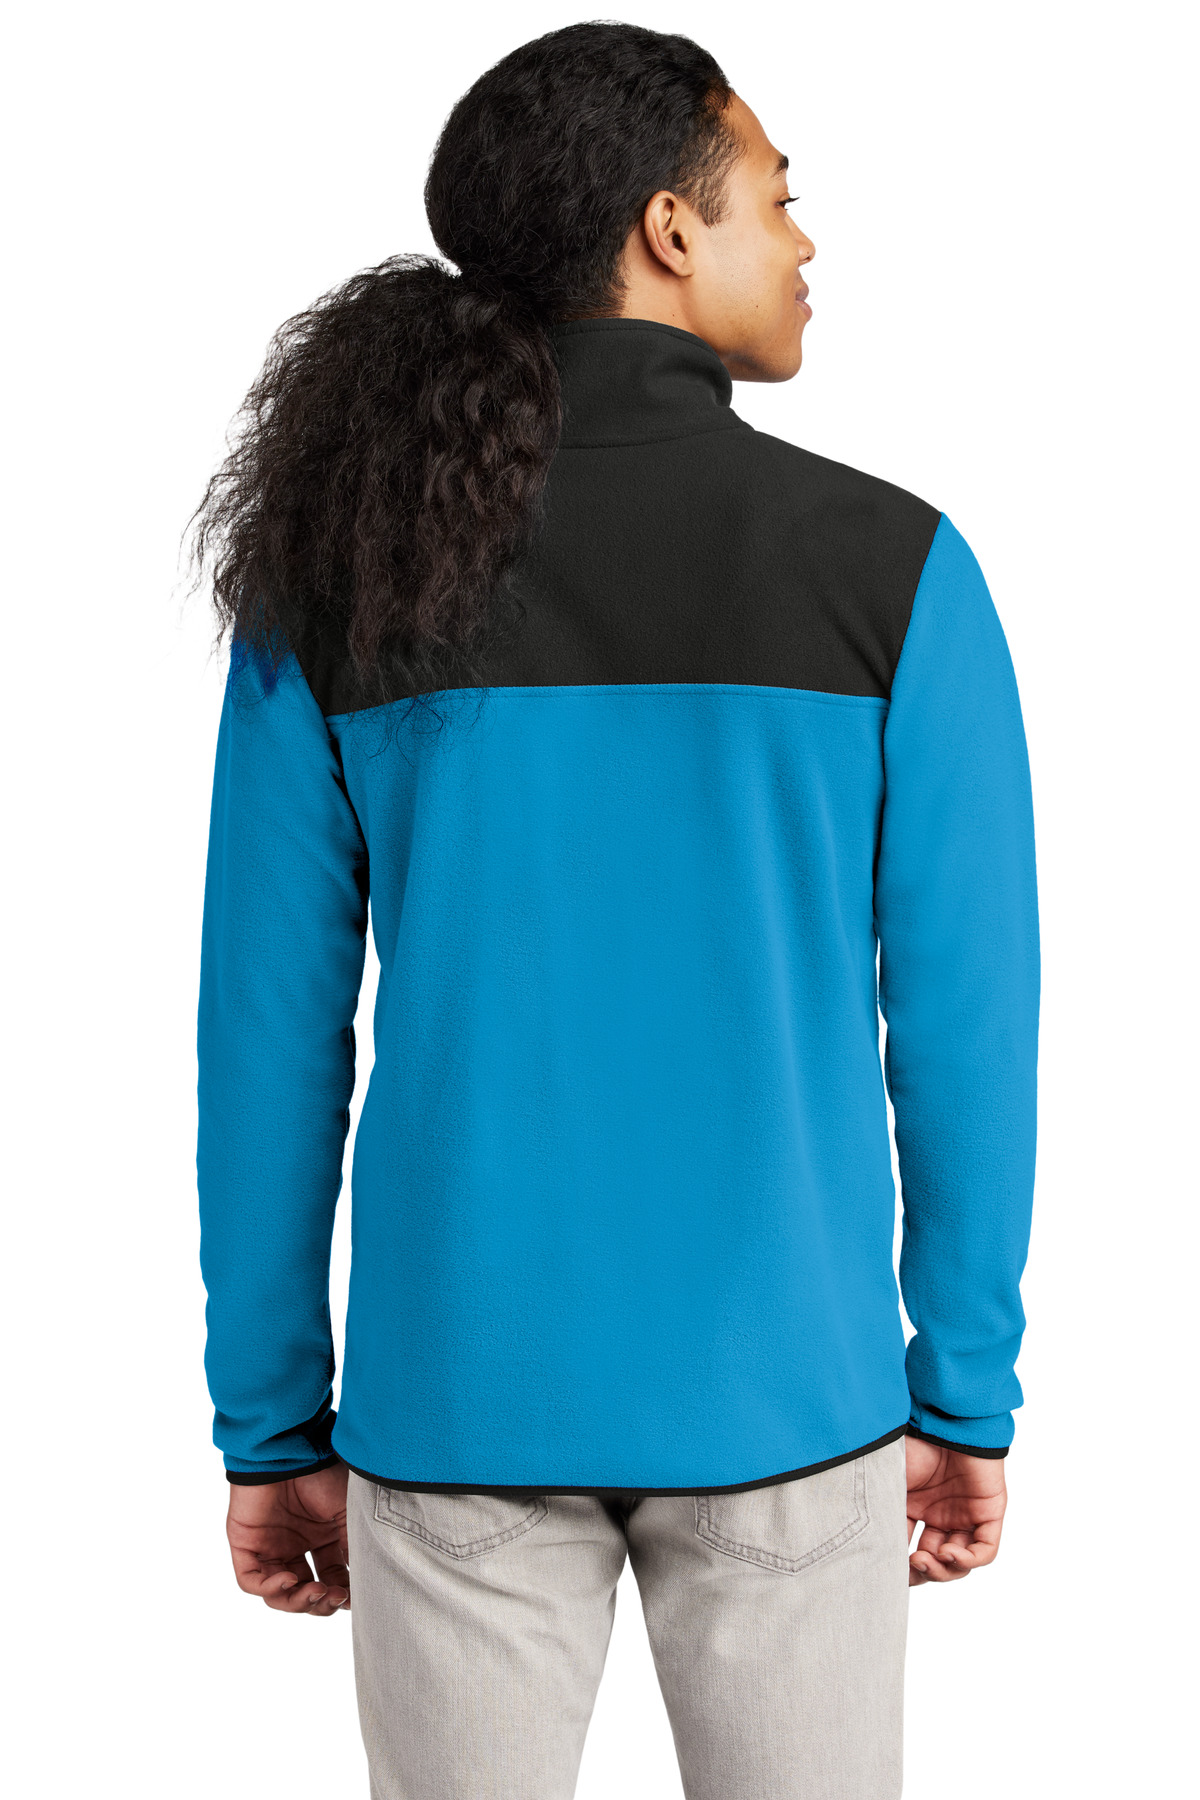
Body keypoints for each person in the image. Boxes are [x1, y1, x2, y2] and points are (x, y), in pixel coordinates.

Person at [192, 21, 1039, 1799]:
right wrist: (961, 1388)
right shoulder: (895, 571)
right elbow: (969, 1027)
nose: (805, 241)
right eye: (778, 199)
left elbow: (266, 1040)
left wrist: (271, 1419)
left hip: (456, 1402)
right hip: (791, 1401)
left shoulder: (341, 578)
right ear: (670, 227)